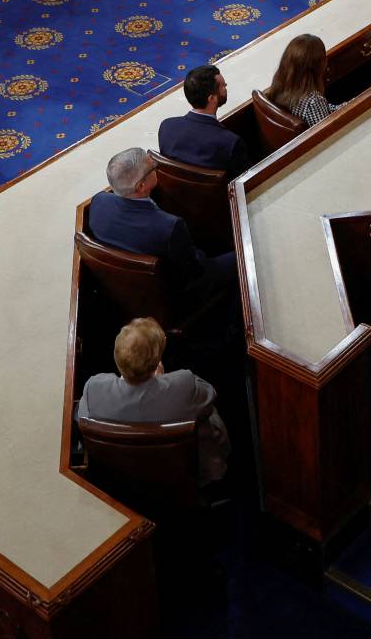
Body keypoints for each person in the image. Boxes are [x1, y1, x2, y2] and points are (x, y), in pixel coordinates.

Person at [77, 317, 232, 487]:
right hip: (177, 475)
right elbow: (210, 395)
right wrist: (161, 381)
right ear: (156, 362)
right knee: (209, 416)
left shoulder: (93, 389)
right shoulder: (184, 386)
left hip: (120, 479)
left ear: (116, 356)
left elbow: (80, 417)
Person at [86, 149, 234, 303]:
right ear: (141, 186)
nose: (156, 165)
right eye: (153, 167)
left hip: (129, 288)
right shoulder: (169, 227)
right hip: (175, 293)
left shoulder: (98, 202)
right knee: (240, 257)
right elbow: (196, 270)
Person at [157, 64, 250, 173]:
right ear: (212, 98)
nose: (226, 86)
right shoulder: (230, 143)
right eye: (223, 86)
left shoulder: (167, 127)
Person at [266, 33, 335, 127]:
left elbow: (322, 110)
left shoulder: (281, 84)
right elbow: (327, 130)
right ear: (319, 65)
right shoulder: (313, 102)